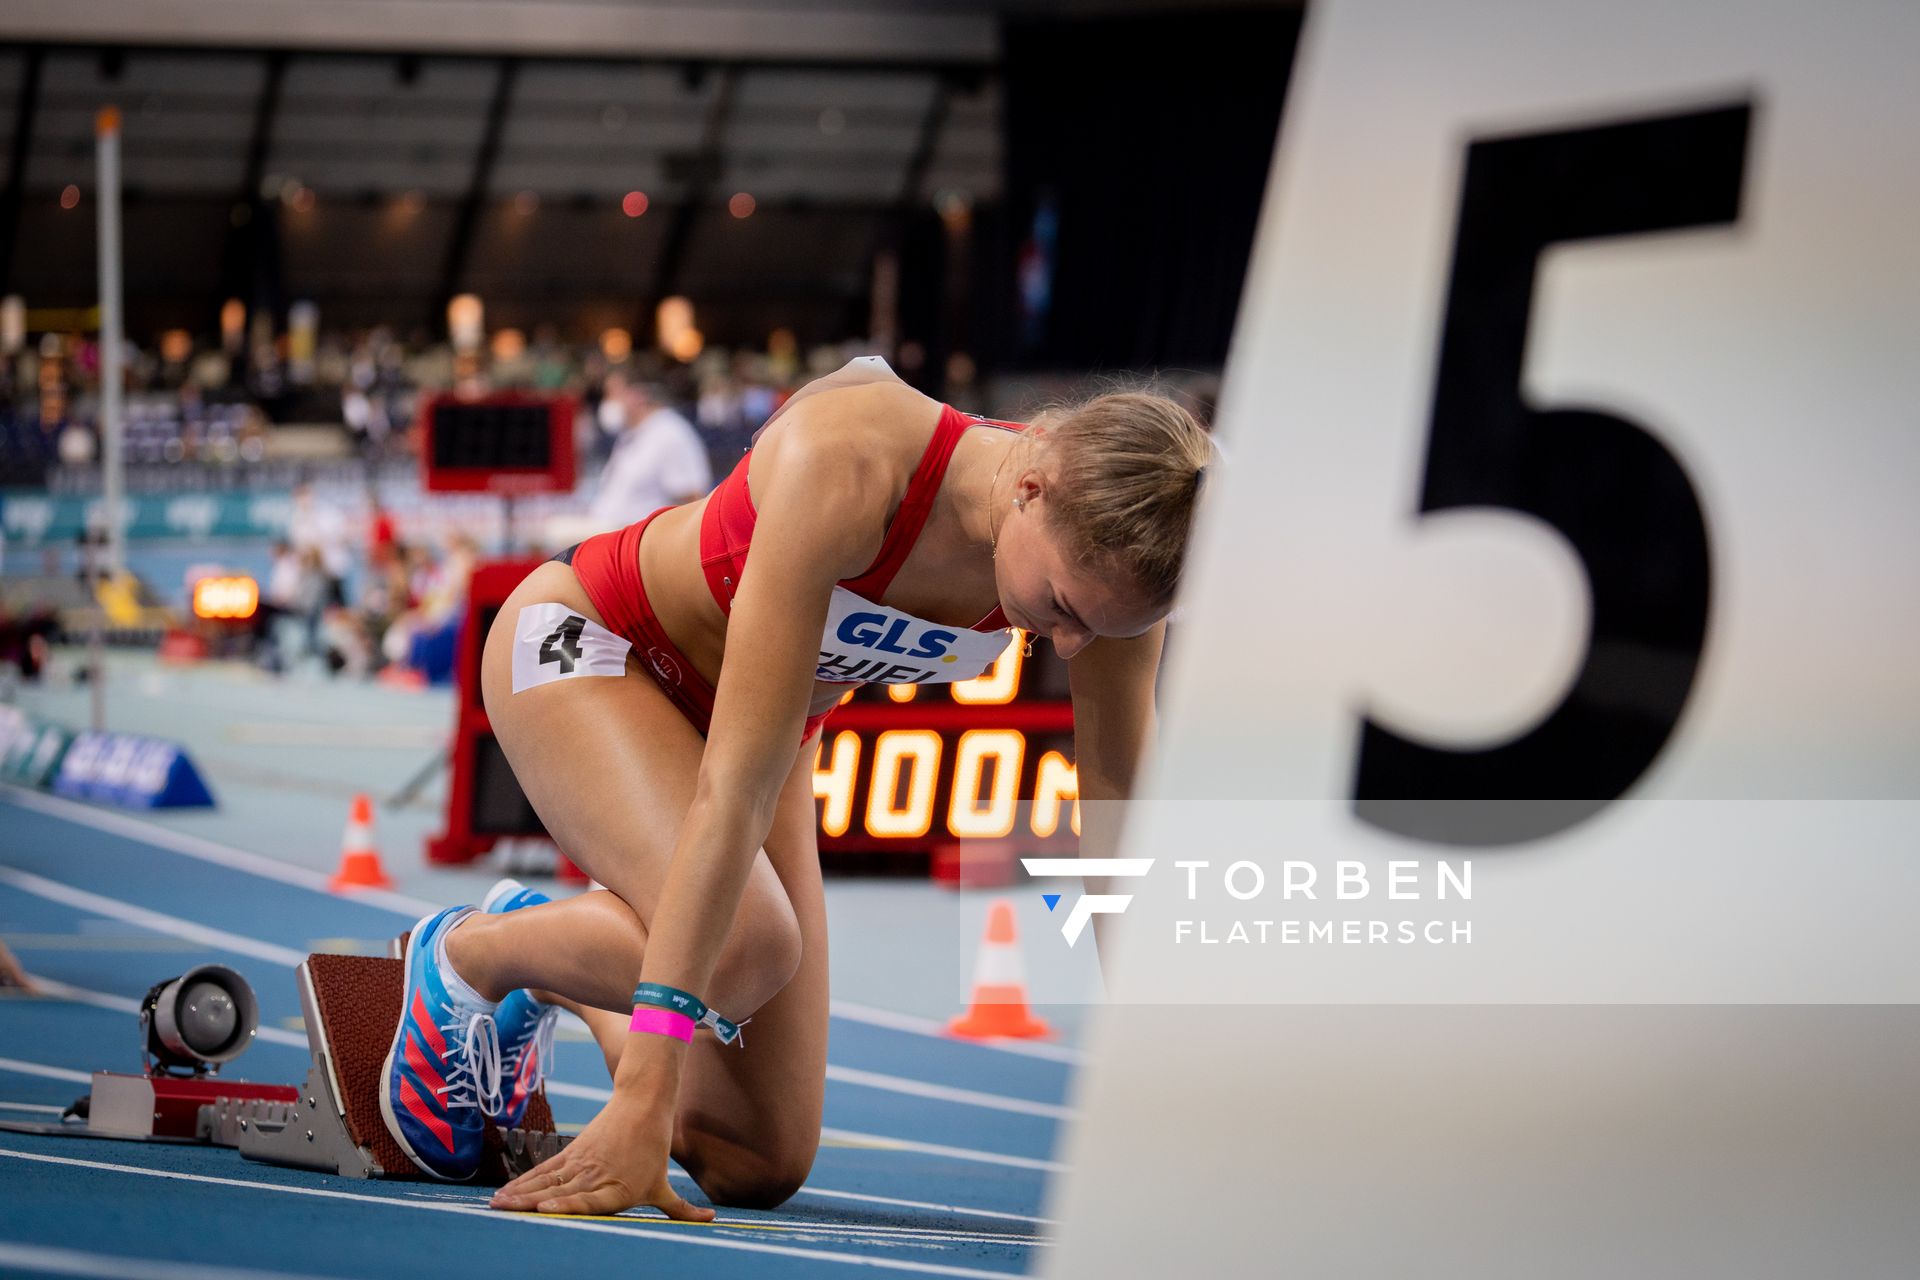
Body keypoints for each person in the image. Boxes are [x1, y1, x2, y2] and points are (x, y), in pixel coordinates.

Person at [376, 358, 1212, 1217]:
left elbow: (1119, 835)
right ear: (1032, 485)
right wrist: (641, 1095)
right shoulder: (852, 460)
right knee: (748, 949)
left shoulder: (1114, 577)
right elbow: (731, 787)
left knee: (756, 1161)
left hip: (765, 732)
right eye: (1062, 606)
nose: (1069, 644)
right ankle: (474, 953)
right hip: (593, 649)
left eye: (1095, 627)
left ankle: (559, 966)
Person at [585, 372, 712, 531]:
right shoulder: (631, 433)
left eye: (613, 394)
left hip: (640, 544)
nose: (609, 402)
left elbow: (694, 500)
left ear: (637, 395)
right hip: (610, 533)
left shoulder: (671, 433)